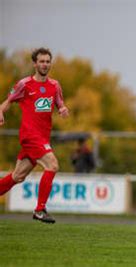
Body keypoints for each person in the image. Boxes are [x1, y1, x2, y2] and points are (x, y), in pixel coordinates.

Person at [0, 47, 69, 223]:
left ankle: (39, 209)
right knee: (52, 165)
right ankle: (40, 210)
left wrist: (62, 108)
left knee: (17, 176)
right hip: (30, 135)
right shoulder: (24, 84)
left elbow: (59, 102)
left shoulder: (55, 85)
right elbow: (7, 102)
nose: (45, 64)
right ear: (35, 64)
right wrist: (1, 111)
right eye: (41, 61)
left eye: (47, 61)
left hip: (42, 137)